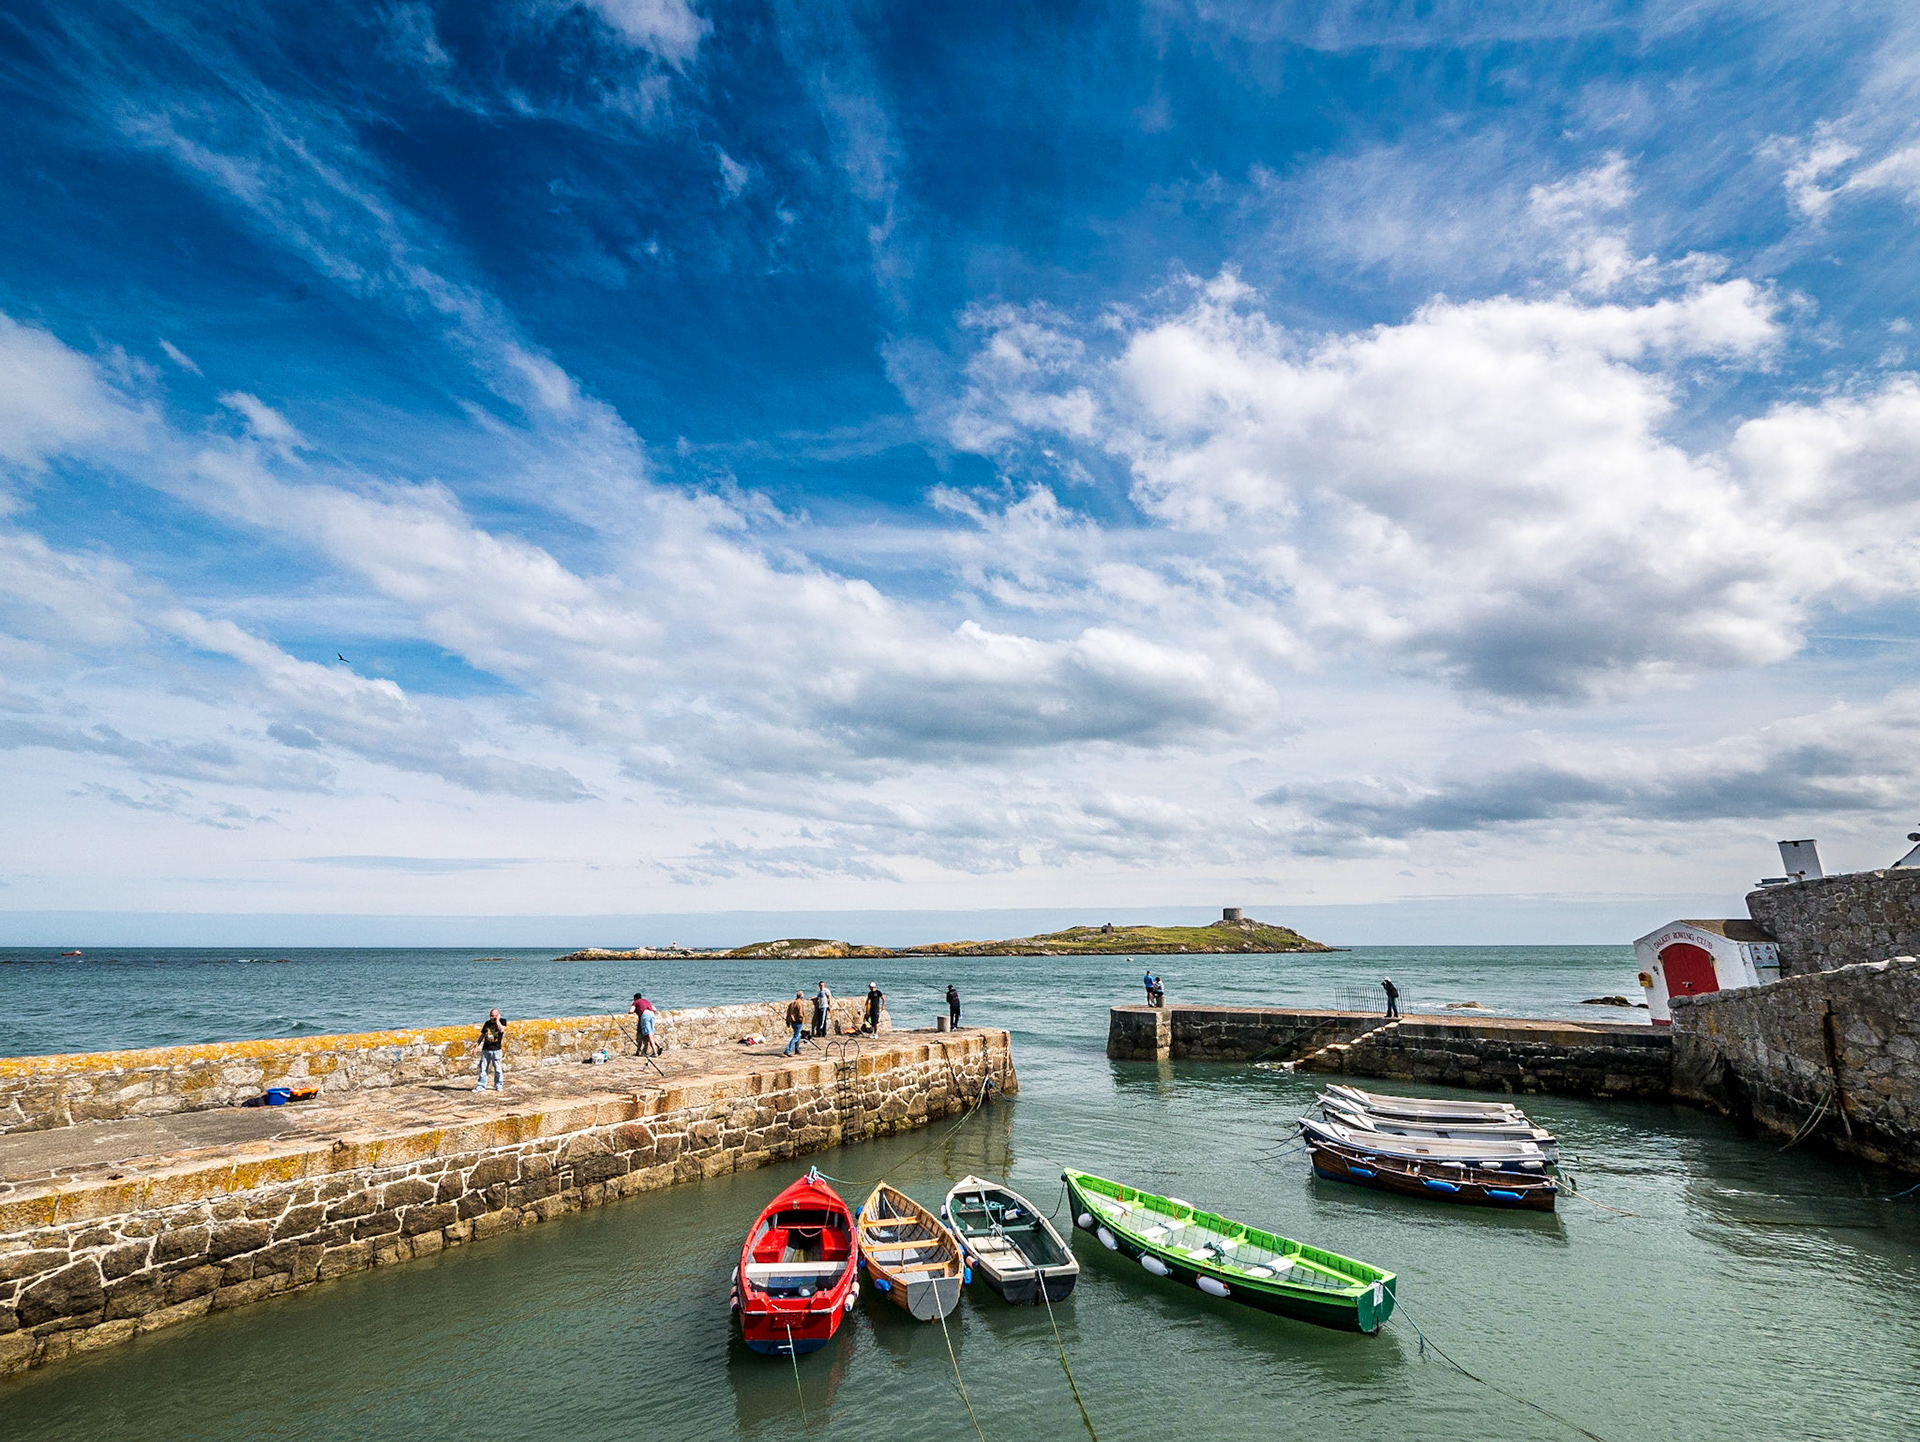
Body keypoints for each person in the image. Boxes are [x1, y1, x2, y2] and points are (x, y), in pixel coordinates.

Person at [473, 1009, 507, 1092]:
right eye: (491, 1016)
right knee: (483, 1069)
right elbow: (482, 1035)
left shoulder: (502, 1021)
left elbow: (501, 1030)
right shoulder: (487, 1023)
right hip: (486, 1049)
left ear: (498, 1015)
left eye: (494, 1016)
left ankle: (499, 1085)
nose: (492, 1018)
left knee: (498, 1069)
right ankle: (481, 1086)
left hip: (496, 1049)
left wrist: (497, 1020)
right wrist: (476, 1046)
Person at [784, 991, 807, 1055]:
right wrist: (801, 1020)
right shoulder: (800, 1003)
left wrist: (787, 1021)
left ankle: (797, 1049)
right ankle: (788, 1050)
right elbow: (800, 1013)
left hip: (792, 1022)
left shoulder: (792, 1003)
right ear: (802, 997)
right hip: (798, 1022)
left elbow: (788, 1013)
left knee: (798, 1035)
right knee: (796, 1037)